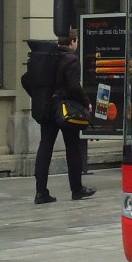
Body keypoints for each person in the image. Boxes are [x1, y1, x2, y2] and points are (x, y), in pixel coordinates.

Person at [33, 30, 96, 204]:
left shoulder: (48, 57)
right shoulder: (71, 59)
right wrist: (86, 102)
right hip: (66, 110)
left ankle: (41, 192)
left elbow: (27, 80)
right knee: (73, 148)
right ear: (72, 41)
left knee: (45, 148)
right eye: (77, 41)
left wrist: (38, 97)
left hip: (47, 108)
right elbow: (74, 86)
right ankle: (77, 189)